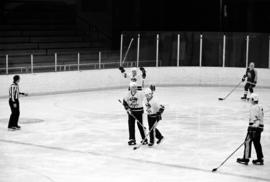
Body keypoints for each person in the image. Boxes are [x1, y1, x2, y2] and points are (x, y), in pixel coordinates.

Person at [237, 93, 264, 165]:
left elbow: (255, 119)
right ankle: (260, 159)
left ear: (253, 99)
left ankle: (245, 159)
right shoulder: (259, 106)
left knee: (247, 142)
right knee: (257, 142)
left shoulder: (254, 108)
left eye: (250, 99)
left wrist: (252, 129)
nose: (249, 100)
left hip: (254, 128)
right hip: (259, 128)